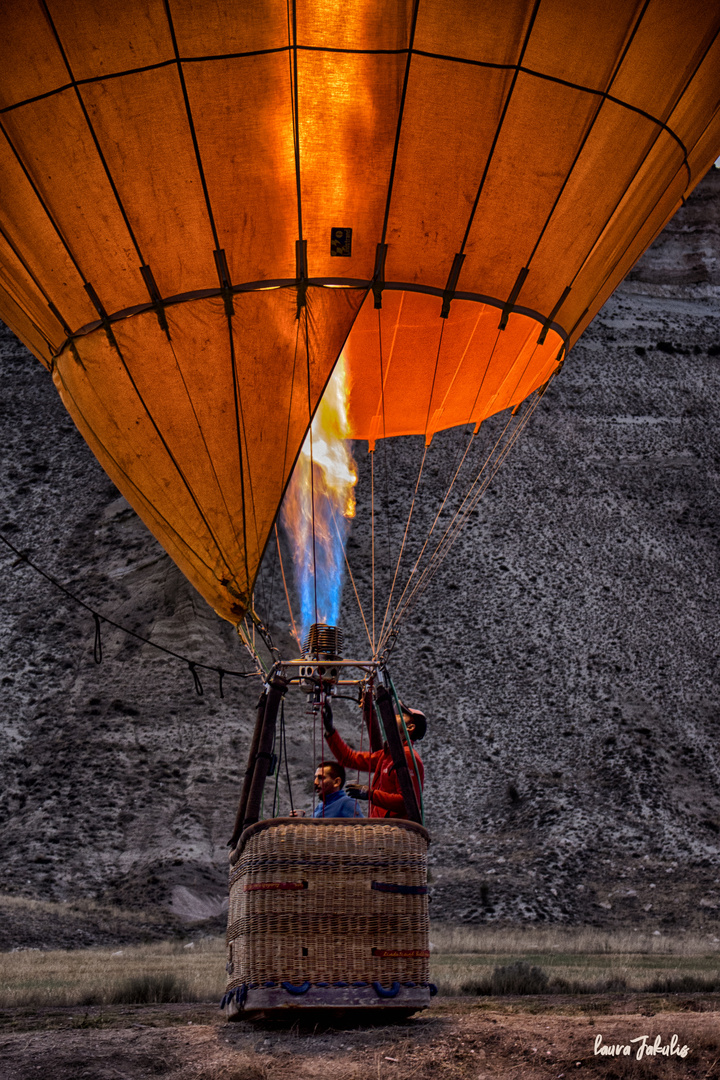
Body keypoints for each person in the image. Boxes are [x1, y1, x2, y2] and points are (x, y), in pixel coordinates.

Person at [322, 700, 425, 819]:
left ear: (410, 727)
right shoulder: (386, 755)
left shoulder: (408, 757)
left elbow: (408, 802)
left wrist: (370, 794)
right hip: (382, 828)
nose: (393, 716)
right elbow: (348, 759)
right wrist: (330, 730)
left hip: (394, 830)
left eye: (399, 715)